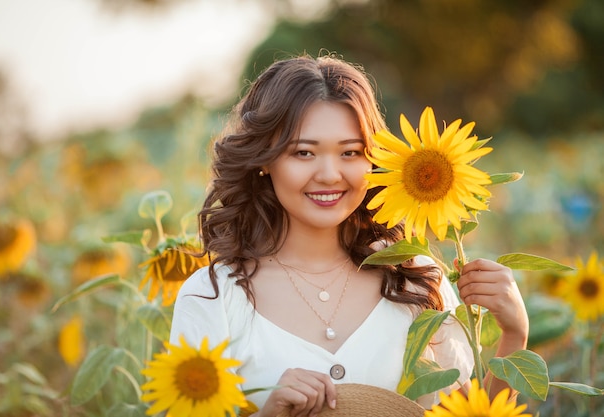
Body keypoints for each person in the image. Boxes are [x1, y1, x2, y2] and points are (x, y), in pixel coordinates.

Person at [169, 53, 529, 416]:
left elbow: (467, 411)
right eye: (304, 152)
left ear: (373, 160)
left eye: (350, 152)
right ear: (265, 159)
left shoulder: (417, 278)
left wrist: (514, 335)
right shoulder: (212, 297)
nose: (329, 174)